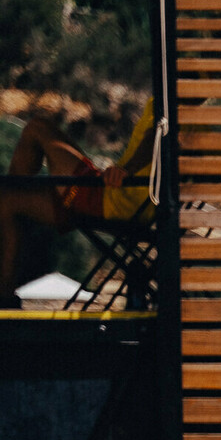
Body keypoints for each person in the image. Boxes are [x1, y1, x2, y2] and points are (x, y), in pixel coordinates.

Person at [0, 98, 154, 301]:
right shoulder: (174, 103)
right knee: (8, 200)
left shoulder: (175, 104)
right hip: (118, 196)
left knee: (37, 128)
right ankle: (4, 295)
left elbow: (157, 139)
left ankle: (5, 287)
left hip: (116, 199)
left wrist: (126, 171)